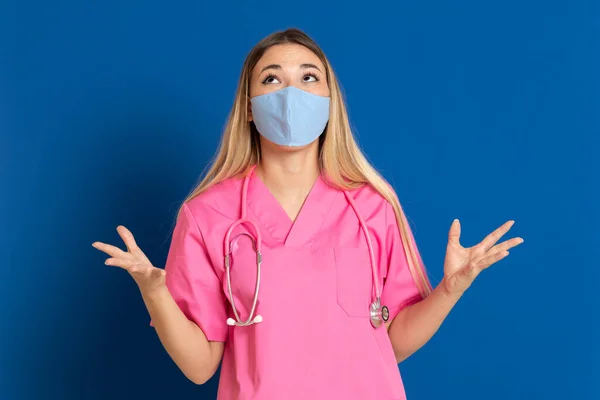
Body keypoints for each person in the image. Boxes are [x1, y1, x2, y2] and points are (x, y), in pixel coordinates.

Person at [92, 28, 523, 399]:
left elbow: (393, 342)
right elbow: (200, 366)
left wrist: (451, 288)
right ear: (248, 106)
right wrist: (154, 292)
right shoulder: (208, 215)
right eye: (272, 79)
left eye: (308, 78)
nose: (291, 94)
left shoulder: (372, 206)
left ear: (330, 101)